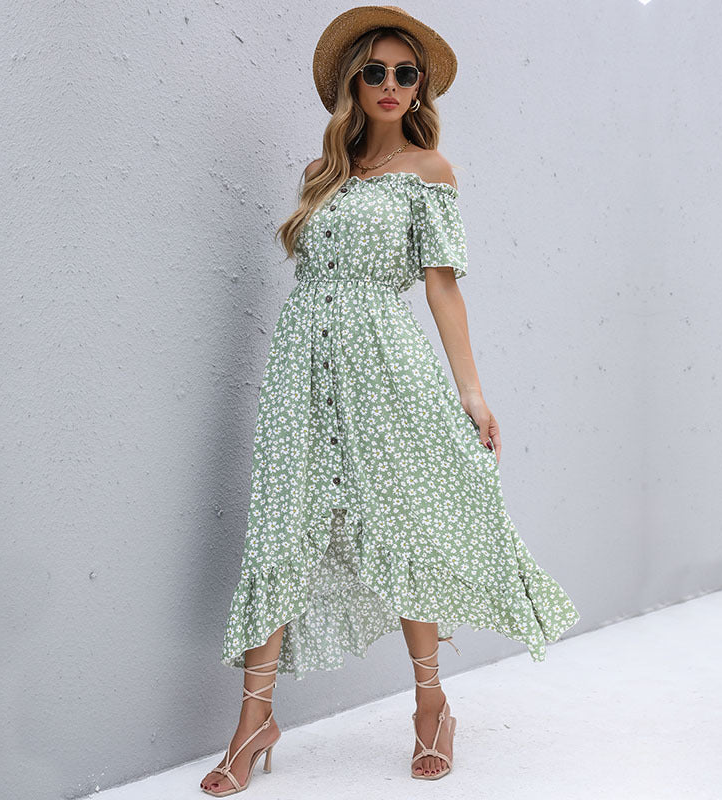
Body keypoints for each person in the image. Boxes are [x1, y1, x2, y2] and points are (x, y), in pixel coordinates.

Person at [200, 5, 580, 795]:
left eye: (406, 73)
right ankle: (253, 720)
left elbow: (443, 289)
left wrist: (472, 394)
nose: (390, 84)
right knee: (281, 526)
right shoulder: (322, 172)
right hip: (301, 371)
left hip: (385, 368)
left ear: (420, 88)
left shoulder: (430, 172)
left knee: (404, 521)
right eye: (375, 70)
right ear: (353, 82)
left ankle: (431, 708)